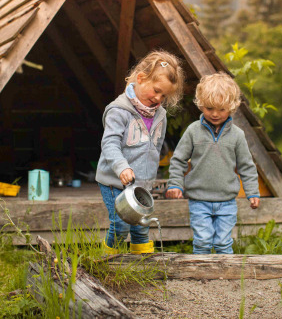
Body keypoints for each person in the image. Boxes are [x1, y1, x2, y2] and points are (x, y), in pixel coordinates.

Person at [96, 50, 184, 255]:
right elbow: (109, 144)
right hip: (115, 181)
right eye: (156, 90)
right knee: (120, 224)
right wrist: (122, 167)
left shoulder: (160, 114)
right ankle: (107, 262)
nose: (159, 98)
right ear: (141, 78)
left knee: (141, 225)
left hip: (142, 183)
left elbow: (156, 145)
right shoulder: (119, 110)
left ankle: (142, 263)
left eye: (164, 95)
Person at [166, 72, 260, 255]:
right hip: (199, 200)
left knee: (224, 243)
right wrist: (176, 184)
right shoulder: (193, 131)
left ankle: (225, 277)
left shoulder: (237, 135)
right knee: (202, 241)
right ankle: (202, 277)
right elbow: (178, 159)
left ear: (232, 108)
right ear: (200, 104)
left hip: (226, 201)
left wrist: (252, 192)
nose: (215, 114)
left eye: (221, 109)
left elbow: (246, 166)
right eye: (209, 108)